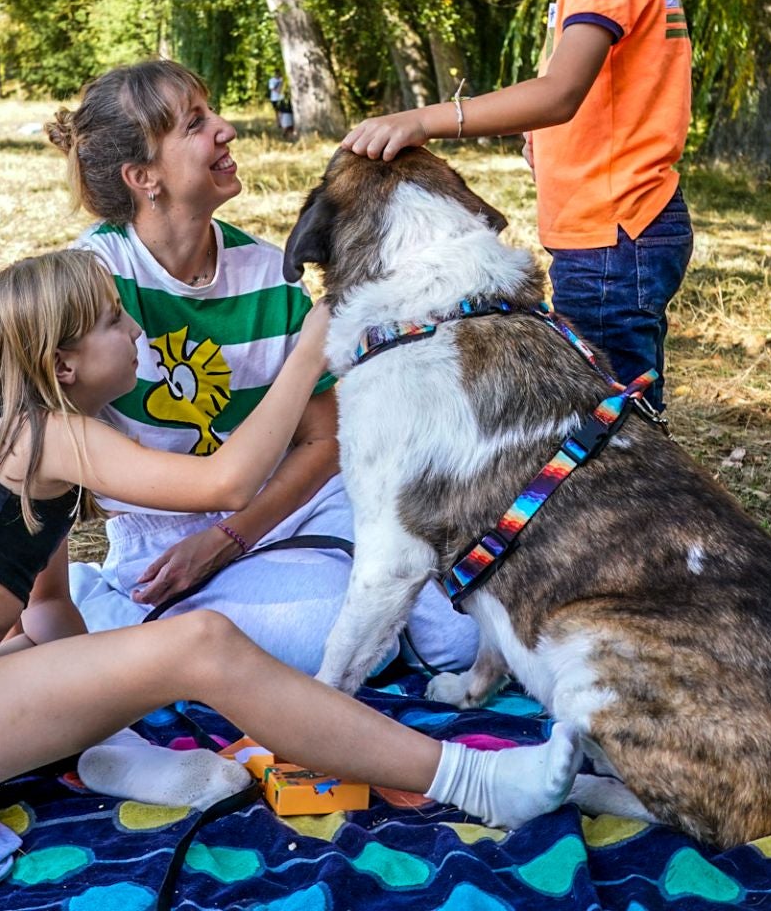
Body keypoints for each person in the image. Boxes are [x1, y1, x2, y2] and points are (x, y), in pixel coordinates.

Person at [0, 249, 577, 824]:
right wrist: (312, 346)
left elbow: (49, 607)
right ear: (64, 362)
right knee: (201, 644)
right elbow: (224, 485)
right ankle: (473, 781)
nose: (133, 331)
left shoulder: (31, 448)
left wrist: (95, 689)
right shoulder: (41, 435)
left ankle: (107, 755)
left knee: (124, 651)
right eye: (116, 322)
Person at [46, 61, 476, 675]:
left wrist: (233, 538)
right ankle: (109, 610)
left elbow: (324, 441)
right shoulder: (89, 284)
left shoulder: (271, 273)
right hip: (165, 535)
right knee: (342, 638)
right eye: (196, 124)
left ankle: (205, 626)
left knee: (462, 641)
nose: (226, 130)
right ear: (144, 177)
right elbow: (41, 449)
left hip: (291, 505)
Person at [341, 0, 694, 408]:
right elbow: (600, 97)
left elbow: (560, 92)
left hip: (615, 232)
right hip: (611, 227)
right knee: (605, 394)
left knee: (613, 409)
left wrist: (429, 119)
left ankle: (641, 503)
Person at [266, 74, 296, 139]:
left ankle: (287, 134)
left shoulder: (284, 98)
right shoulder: (282, 99)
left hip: (288, 113)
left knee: (289, 126)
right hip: (286, 112)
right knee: (287, 126)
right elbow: (280, 112)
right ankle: (286, 134)